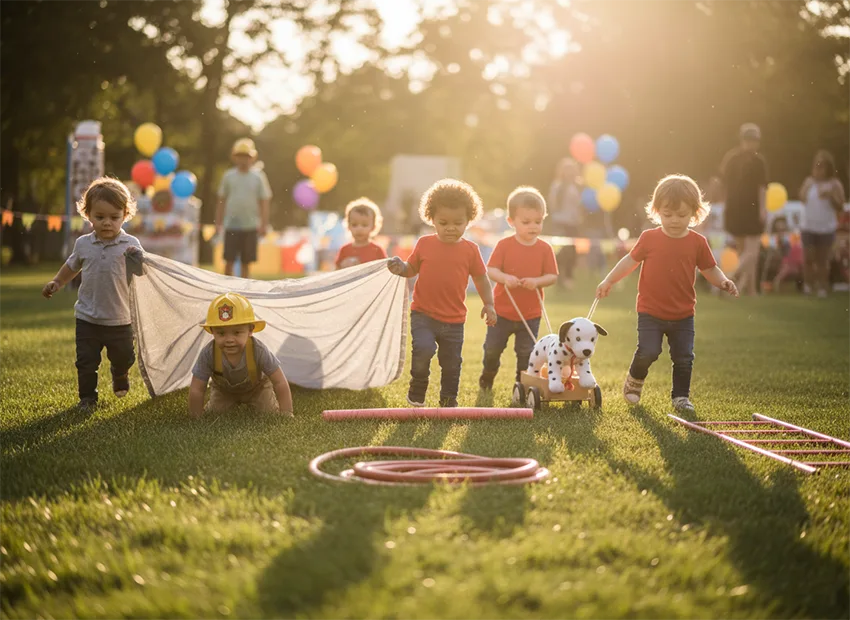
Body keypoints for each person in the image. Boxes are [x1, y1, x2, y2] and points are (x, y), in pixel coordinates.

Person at [596, 175, 739, 413]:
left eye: (682, 215)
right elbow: (630, 261)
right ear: (657, 211)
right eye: (667, 214)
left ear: (694, 213)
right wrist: (609, 280)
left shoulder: (697, 242)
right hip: (650, 311)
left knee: (684, 357)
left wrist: (723, 281)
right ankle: (635, 378)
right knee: (649, 351)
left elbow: (710, 269)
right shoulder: (649, 238)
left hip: (683, 314)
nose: (674, 220)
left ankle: (681, 397)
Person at [388, 179, 497, 407]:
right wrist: (401, 268)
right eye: (443, 222)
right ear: (432, 219)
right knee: (423, 350)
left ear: (469, 220)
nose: (450, 228)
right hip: (423, 314)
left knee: (451, 363)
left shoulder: (471, 250)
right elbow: (411, 269)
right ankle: (417, 390)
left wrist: (489, 304)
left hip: (454, 320)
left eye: (458, 222)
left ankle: (448, 401)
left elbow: (481, 278)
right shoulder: (424, 244)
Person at [42, 178, 143, 410]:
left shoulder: (130, 244)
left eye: (114, 217)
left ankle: (120, 372)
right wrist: (57, 282)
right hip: (88, 317)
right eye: (100, 217)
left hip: (121, 318)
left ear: (125, 215)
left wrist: (137, 260)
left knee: (125, 356)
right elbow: (71, 266)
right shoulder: (83, 244)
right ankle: (87, 398)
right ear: (87, 214)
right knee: (86, 362)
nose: (107, 222)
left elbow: (141, 272)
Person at [479, 186, 558, 389]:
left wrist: (537, 282)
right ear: (511, 221)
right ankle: (488, 375)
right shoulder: (504, 245)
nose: (533, 226)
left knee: (526, 353)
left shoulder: (545, 249)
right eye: (526, 222)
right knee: (492, 349)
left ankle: (521, 385)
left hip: (530, 313)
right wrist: (505, 278)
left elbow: (552, 276)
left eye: (538, 222)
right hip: (501, 312)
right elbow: (491, 270)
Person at [188, 292, 293, 418]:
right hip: (224, 392)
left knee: (268, 413)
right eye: (221, 333)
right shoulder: (209, 353)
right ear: (212, 331)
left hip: (257, 390)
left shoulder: (258, 350)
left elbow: (279, 381)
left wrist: (287, 412)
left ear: (250, 330)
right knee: (214, 414)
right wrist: (196, 416)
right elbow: (197, 388)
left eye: (237, 332)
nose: (229, 340)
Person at [720, 123, 769, 296]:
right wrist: (763, 209)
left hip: (735, 208)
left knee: (745, 253)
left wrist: (726, 206)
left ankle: (749, 290)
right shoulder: (757, 161)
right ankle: (729, 279)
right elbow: (762, 187)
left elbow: (724, 186)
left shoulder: (732, 158)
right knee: (751, 253)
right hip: (748, 209)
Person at [215, 138, 272, 279]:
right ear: (234, 157)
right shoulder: (229, 176)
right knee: (229, 260)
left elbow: (264, 201)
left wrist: (264, 224)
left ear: (252, 158)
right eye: (240, 156)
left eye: (246, 156)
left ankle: (244, 289)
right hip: (231, 225)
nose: (243, 160)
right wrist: (218, 223)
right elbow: (221, 201)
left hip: (250, 225)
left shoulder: (258, 177)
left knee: (246, 262)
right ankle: (227, 288)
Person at [799, 150, 845, 298]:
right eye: (816, 166)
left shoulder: (834, 184)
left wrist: (831, 196)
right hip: (808, 225)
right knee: (808, 257)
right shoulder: (809, 182)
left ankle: (822, 287)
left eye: (822, 167)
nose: (818, 170)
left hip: (826, 227)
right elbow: (802, 198)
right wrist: (806, 189)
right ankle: (808, 285)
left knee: (823, 259)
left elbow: (840, 206)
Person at [547, 158, 583, 289]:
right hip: (560, 222)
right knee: (561, 250)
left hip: (573, 223)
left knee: (572, 251)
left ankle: (568, 278)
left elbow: (580, 204)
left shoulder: (577, 186)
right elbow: (552, 204)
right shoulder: (557, 186)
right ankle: (556, 275)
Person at [335, 197, 388, 269]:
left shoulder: (377, 250)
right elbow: (336, 271)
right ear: (348, 226)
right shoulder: (344, 250)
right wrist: (342, 266)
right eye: (354, 225)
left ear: (373, 227)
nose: (359, 229)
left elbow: (385, 270)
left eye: (364, 225)